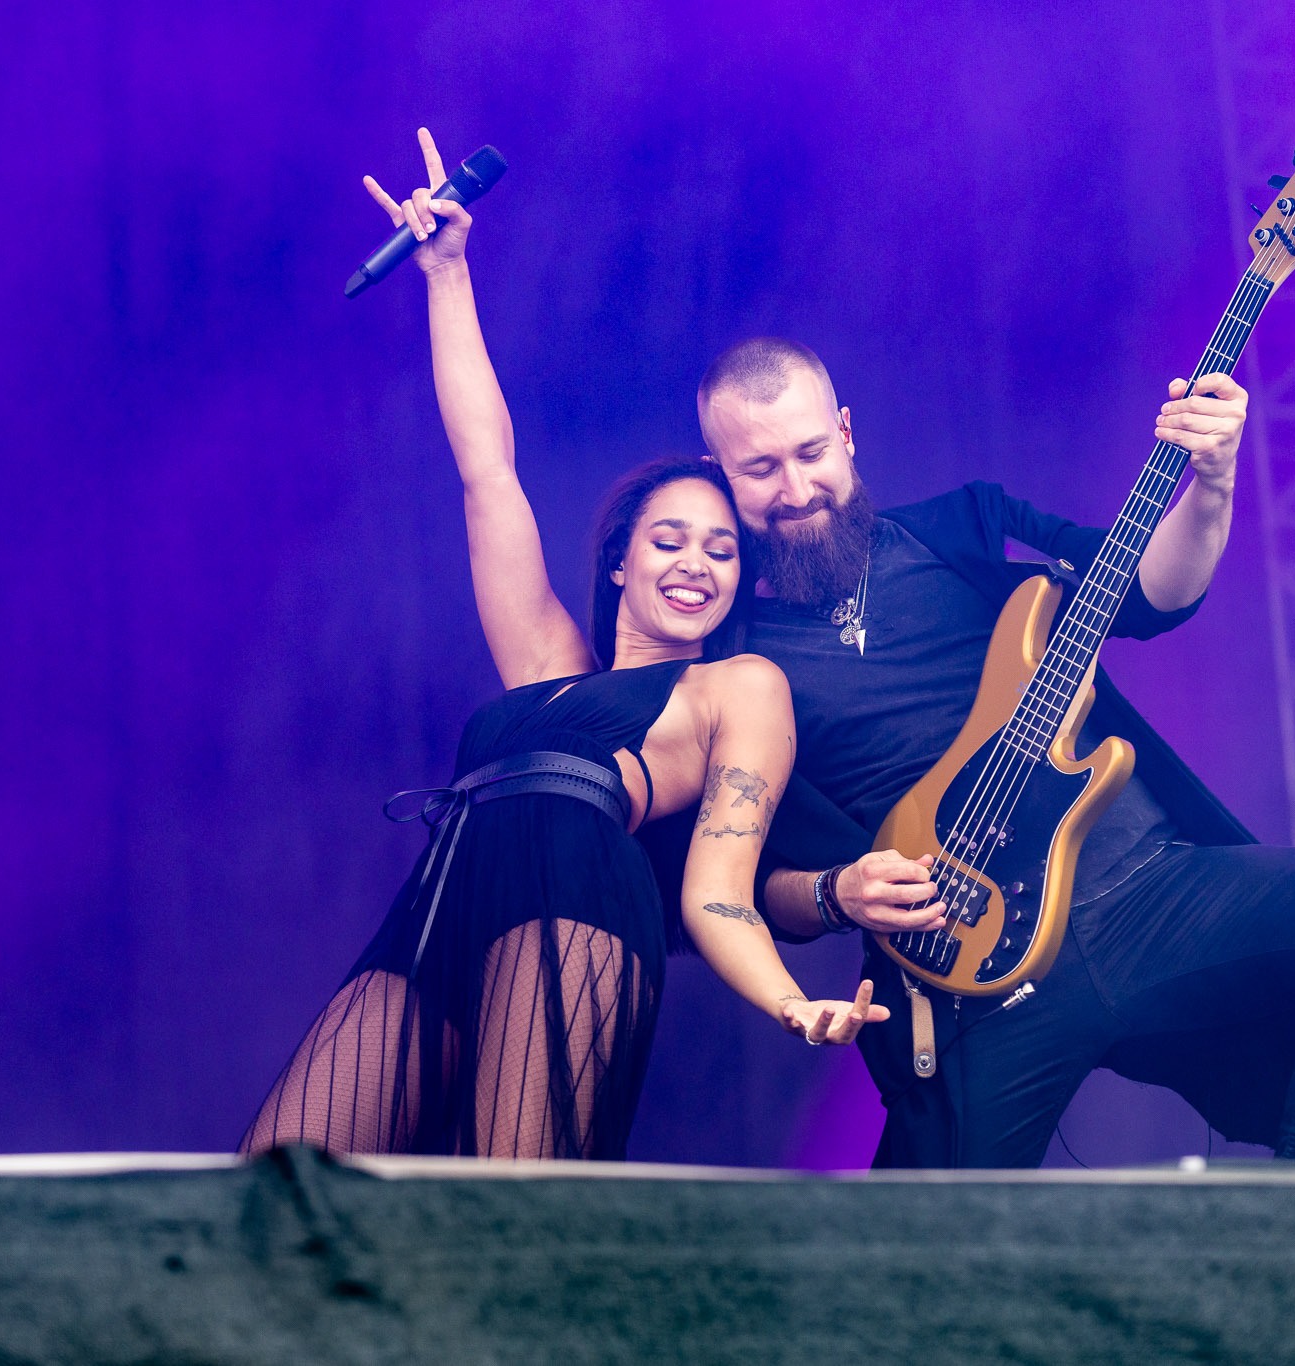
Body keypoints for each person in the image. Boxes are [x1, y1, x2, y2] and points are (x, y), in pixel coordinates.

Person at [240, 135, 886, 1162]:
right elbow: (485, 468)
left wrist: (789, 1003)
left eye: (722, 550)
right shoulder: (545, 667)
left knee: (515, 1201)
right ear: (620, 561)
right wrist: (446, 273)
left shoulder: (736, 687)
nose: (696, 563)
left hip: (578, 909)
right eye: (668, 540)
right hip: (443, 903)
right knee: (275, 1176)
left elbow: (716, 887)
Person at [682, 335, 1295, 1167]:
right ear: (719, 471)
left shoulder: (966, 531)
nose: (797, 491)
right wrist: (838, 892)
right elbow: (757, 883)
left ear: (846, 431)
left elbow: (1147, 592)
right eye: (761, 470)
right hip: (969, 971)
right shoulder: (734, 658)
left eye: (811, 454)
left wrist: (1213, 484)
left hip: (1142, 892)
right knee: (927, 1238)